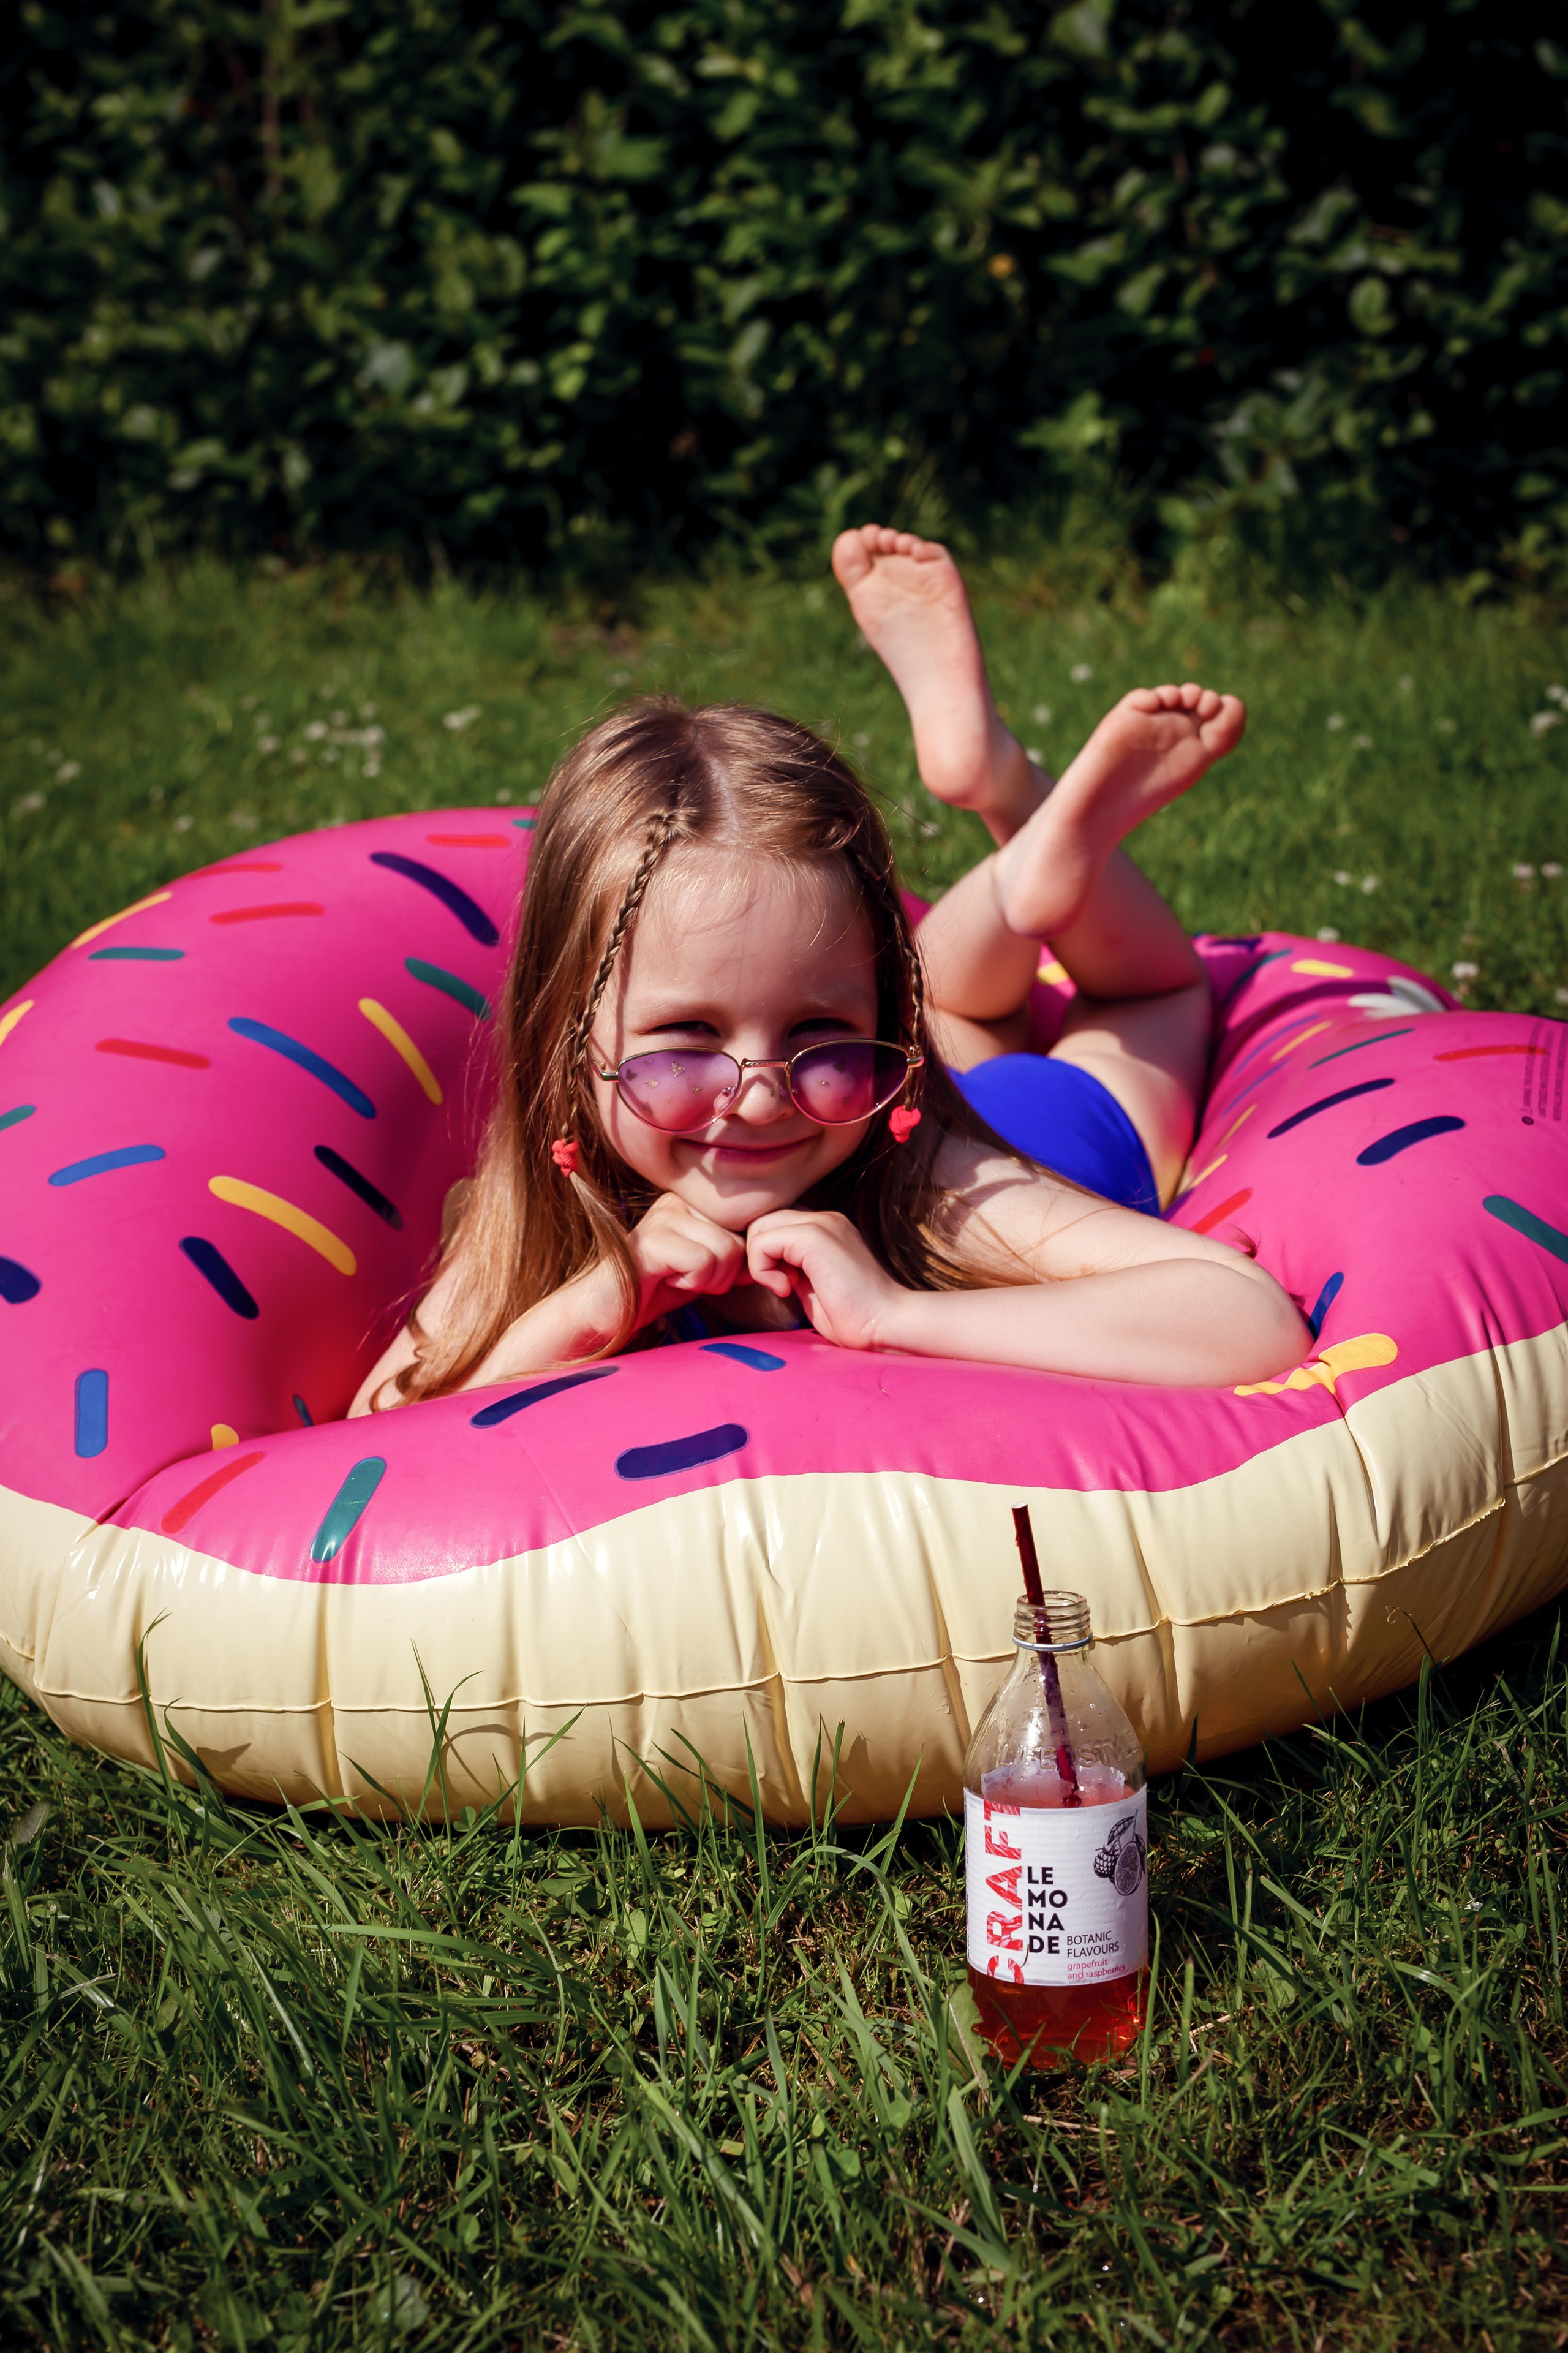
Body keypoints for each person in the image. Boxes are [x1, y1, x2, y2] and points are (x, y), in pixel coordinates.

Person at [349, 530, 1308, 1416]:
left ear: (889, 1020)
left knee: (1150, 996)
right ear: (569, 1038)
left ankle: (1016, 810)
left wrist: (897, 1313)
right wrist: (596, 1303)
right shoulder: (551, 1213)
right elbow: (377, 1428)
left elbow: (1251, 1320)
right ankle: (1018, 857)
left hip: (1048, 1121)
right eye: (688, 1041)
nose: (759, 1102)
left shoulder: (943, 1191)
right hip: (859, 1101)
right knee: (960, 1004)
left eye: (818, 1031)